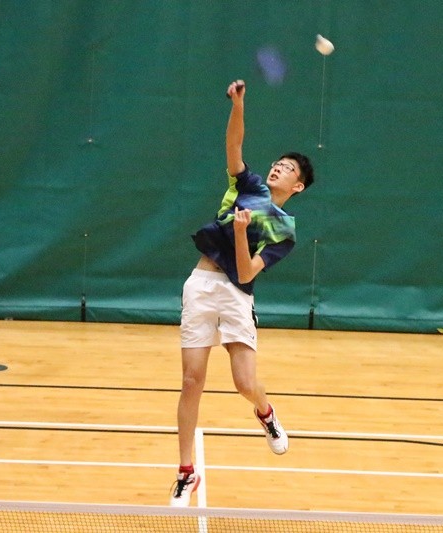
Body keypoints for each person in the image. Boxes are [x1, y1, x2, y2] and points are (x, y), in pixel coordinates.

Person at [169, 79, 314, 507]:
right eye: (277, 163)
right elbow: (235, 146)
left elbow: (248, 274)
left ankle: (265, 414)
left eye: (287, 168)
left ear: (299, 185)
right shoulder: (247, 185)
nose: (277, 168)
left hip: (235, 295)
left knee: (244, 383)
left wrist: (238, 233)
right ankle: (185, 472)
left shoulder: (285, 230)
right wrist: (238, 105)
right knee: (191, 381)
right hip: (201, 285)